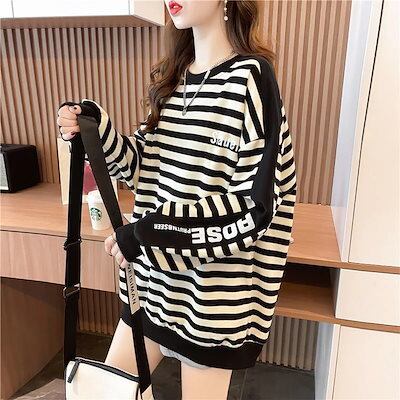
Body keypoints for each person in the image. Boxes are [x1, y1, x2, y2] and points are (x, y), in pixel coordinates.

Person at [57, 1, 297, 398]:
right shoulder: (173, 80)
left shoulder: (252, 79)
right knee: (104, 393)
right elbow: (142, 169)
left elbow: (253, 207)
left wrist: (147, 233)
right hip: (153, 289)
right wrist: (97, 132)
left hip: (209, 301)